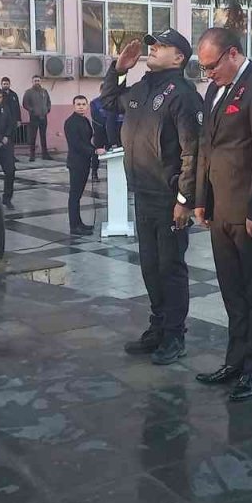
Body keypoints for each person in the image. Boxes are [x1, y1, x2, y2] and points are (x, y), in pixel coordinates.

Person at [191, 26, 252, 401]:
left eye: (211, 66)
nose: (207, 74)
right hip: (220, 208)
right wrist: (201, 198)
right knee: (232, 291)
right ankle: (235, 360)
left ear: (232, 54)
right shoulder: (215, 88)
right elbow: (207, 147)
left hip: (250, 212)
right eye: (203, 68)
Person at [101, 29, 202, 366]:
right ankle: (157, 327)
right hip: (142, 192)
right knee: (150, 267)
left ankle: (175, 335)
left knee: (170, 268)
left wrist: (184, 200)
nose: (153, 50)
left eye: (162, 46)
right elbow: (108, 101)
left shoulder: (183, 94)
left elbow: (193, 152)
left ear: (179, 58)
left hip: (168, 196)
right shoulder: (143, 87)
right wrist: (118, 69)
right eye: (153, 46)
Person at [64, 95, 96, 235]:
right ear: (73, 106)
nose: (81, 106)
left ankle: (79, 223)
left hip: (85, 162)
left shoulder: (85, 120)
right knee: (75, 195)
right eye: (78, 104)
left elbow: (88, 140)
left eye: (83, 104)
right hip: (76, 162)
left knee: (79, 195)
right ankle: (74, 226)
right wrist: (93, 151)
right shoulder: (70, 122)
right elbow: (76, 144)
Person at [23, 75, 52, 161]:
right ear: (32, 82)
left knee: (43, 136)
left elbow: (48, 101)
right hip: (34, 117)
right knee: (33, 137)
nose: (37, 82)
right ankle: (32, 155)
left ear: (40, 81)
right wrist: (32, 110)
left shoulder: (44, 91)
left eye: (38, 80)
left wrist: (48, 109)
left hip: (44, 117)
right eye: (35, 81)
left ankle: (45, 154)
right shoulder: (28, 92)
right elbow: (25, 104)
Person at [0, 77, 22, 146]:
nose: (5, 85)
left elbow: (17, 108)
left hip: (13, 120)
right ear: (1, 84)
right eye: (4, 84)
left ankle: (11, 155)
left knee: (12, 139)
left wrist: (19, 120)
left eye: (7, 84)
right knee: (4, 139)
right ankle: (4, 156)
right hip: (3, 120)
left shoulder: (14, 94)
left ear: (9, 84)